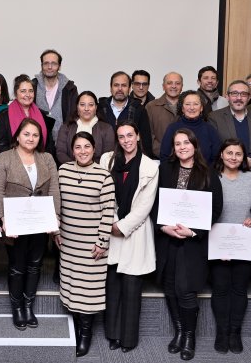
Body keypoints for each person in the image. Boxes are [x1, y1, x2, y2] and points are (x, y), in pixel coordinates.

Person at [153, 129, 223, 360]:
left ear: (195, 145)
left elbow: (216, 209)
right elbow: (154, 202)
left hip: (192, 243)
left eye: (186, 142)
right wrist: (163, 227)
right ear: (173, 148)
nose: (182, 147)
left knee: (185, 290)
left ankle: (189, 336)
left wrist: (193, 232)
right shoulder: (165, 169)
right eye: (177, 144)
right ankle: (179, 331)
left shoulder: (208, 173)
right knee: (169, 287)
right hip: (167, 239)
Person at [0, 118, 61, 330]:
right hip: (15, 224)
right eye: (26, 134)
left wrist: (55, 217)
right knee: (17, 267)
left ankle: (29, 306)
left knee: (35, 265)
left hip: (40, 222)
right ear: (17, 136)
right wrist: (3, 218)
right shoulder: (5, 158)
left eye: (35, 135)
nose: (31, 138)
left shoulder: (47, 158)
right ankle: (17, 308)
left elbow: (54, 189)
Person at [56, 131, 116, 357]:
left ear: (94, 149)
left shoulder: (104, 176)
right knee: (72, 286)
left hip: (92, 245)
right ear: (72, 151)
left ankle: (85, 334)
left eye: (87, 147)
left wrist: (102, 242)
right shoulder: (63, 171)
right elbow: (57, 203)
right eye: (78, 147)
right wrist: (56, 230)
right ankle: (75, 328)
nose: (83, 151)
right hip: (68, 242)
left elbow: (108, 212)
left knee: (88, 292)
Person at [100, 120, 157, 353]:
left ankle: (128, 340)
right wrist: (112, 221)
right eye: (121, 136)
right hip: (111, 228)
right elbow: (104, 194)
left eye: (130, 135)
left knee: (132, 290)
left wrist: (123, 226)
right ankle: (113, 335)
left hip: (135, 232)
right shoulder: (107, 160)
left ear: (138, 136)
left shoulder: (150, 166)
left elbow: (145, 205)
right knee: (113, 288)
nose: (126, 140)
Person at [209, 139, 251, 355]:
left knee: (239, 288)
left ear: (244, 157)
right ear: (221, 154)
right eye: (229, 153)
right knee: (220, 288)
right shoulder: (211, 177)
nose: (233, 157)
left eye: (238, 154)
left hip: (245, 243)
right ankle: (222, 332)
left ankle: (235, 332)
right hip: (218, 243)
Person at [208, 80, 251, 167]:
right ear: (227, 96)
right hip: (225, 169)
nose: (239, 98)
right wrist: (231, 159)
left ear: (249, 97)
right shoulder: (214, 117)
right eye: (234, 93)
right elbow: (212, 145)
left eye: (243, 94)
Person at [0, 74, 56, 156]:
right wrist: (21, 159)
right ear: (16, 93)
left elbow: (49, 146)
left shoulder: (42, 115)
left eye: (31, 91)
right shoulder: (4, 115)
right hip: (12, 161)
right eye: (23, 91)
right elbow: (0, 146)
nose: (28, 94)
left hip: (39, 160)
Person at [97, 71, 154, 158]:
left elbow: (146, 142)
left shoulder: (139, 109)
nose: (120, 89)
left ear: (129, 88)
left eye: (124, 85)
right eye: (116, 85)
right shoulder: (100, 108)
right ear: (110, 88)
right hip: (104, 160)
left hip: (131, 160)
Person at [160, 90, 221, 165]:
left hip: (205, 171)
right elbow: (164, 157)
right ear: (182, 108)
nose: (192, 108)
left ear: (201, 108)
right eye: (188, 104)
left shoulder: (210, 129)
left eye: (196, 104)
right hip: (176, 171)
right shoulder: (172, 128)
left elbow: (216, 158)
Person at [55, 91, 116, 165]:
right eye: (82, 105)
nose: (86, 109)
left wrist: (90, 168)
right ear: (77, 107)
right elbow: (60, 153)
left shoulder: (106, 128)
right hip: (70, 169)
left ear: (96, 107)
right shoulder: (66, 127)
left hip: (97, 170)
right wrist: (75, 167)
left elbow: (107, 156)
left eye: (91, 105)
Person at [32, 49, 78, 138]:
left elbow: (74, 116)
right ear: (41, 66)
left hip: (64, 139)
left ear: (59, 66)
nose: (49, 67)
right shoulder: (33, 86)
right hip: (37, 140)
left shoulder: (70, 88)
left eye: (53, 63)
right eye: (46, 63)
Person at [145, 72, 182, 157]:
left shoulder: (188, 107)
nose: (173, 86)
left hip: (186, 157)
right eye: (169, 83)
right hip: (159, 157)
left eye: (177, 83)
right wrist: (165, 152)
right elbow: (148, 135)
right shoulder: (151, 107)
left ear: (182, 87)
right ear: (163, 86)